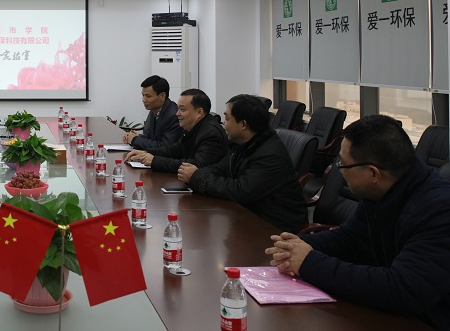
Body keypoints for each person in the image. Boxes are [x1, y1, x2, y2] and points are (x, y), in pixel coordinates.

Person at [265, 115, 450, 329]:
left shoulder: (439, 210)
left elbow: (404, 290)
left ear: (373, 173)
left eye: (343, 164)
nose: (339, 170)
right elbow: (351, 238)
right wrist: (294, 247)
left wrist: (309, 262)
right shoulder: (383, 190)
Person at [177, 94, 306, 230]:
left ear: (243, 124)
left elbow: (241, 191)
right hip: (248, 216)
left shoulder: (270, 154)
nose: (223, 123)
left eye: (227, 119)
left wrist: (197, 177)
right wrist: (195, 173)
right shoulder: (242, 142)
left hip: (274, 227)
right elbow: (221, 168)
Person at [124, 88, 228, 172]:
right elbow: (174, 150)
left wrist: (155, 161)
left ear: (199, 112)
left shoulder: (211, 134)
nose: (177, 113)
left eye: (182, 109)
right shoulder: (190, 127)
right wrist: (145, 152)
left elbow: (197, 165)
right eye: (178, 109)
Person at [122, 75, 182, 150]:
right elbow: (152, 138)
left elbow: (165, 146)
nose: (144, 100)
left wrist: (135, 140)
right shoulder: (154, 109)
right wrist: (136, 137)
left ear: (162, 96)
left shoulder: (173, 115)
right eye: (143, 95)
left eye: (148, 96)